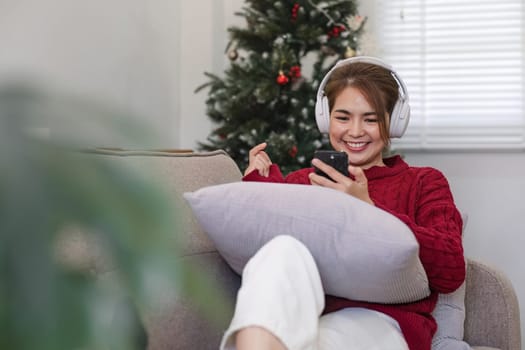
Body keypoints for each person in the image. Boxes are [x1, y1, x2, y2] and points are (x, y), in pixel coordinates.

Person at [220, 57, 466, 350]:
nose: (355, 131)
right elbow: (256, 245)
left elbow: (451, 270)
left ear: (395, 121)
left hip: (382, 321)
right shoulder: (303, 181)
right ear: (325, 119)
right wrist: (257, 185)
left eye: (371, 119)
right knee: (280, 250)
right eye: (343, 117)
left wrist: (369, 209)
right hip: (309, 318)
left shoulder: (424, 182)